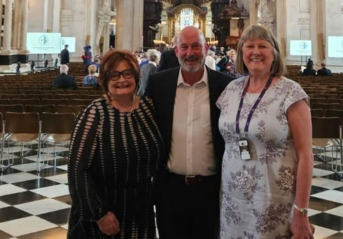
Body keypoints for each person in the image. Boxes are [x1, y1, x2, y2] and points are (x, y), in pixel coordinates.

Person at [217, 25, 313, 239]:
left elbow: (306, 155)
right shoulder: (230, 90)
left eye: (263, 46)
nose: (256, 51)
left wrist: (301, 212)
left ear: (274, 53)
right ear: (242, 53)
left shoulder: (291, 92)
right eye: (249, 46)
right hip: (233, 203)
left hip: (273, 202)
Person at [68, 49, 164, 239]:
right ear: (104, 79)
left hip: (140, 210)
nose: (122, 80)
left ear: (136, 76)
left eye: (127, 73)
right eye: (114, 75)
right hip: (105, 211)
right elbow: (77, 170)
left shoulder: (148, 107)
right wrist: (100, 213)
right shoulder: (94, 114)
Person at [145, 26, 231, 239]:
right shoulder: (158, 84)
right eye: (184, 47)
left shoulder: (226, 85)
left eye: (195, 46)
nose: (190, 53)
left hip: (211, 190)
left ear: (206, 48)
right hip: (170, 189)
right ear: (176, 51)